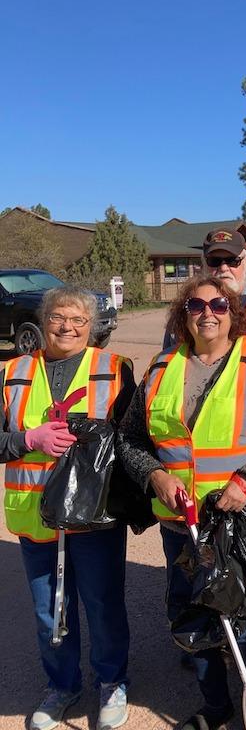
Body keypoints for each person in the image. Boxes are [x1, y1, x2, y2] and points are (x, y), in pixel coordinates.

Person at [117, 276, 246, 730]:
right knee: (193, 616)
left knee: (245, 617)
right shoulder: (160, 368)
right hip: (182, 525)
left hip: (240, 521)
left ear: (231, 311)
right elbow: (132, 438)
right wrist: (154, 474)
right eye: (196, 305)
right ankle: (215, 706)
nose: (207, 312)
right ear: (184, 313)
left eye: (218, 304)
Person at [0, 286, 135, 730]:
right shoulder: (12, 373)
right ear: (43, 320)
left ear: (92, 327)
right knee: (49, 609)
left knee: (102, 602)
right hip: (34, 512)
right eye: (58, 317)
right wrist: (26, 440)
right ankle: (62, 686)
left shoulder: (115, 370)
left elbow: (135, 441)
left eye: (79, 320)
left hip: (93, 514)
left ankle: (113, 682)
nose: (67, 327)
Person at [162, 229, 246, 364]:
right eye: (214, 261)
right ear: (204, 264)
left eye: (232, 260)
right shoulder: (187, 306)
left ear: (245, 262)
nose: (223, 268)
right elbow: (170, 362)